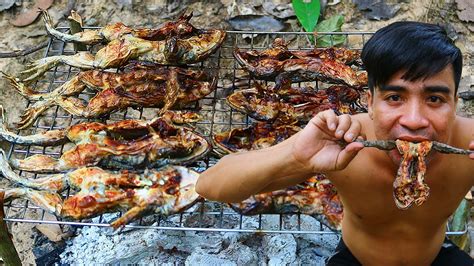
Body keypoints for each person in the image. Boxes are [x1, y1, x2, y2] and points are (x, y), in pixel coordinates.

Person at [196, 21, 474, 265]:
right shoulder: (344, 142)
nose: (414, 120)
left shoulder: (469, 144)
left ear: (454, 105)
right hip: (356, 257)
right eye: (395, 98)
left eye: (435, 99)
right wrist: (295, 155)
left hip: (434, 256)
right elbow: (210, 186)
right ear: (370, 104)